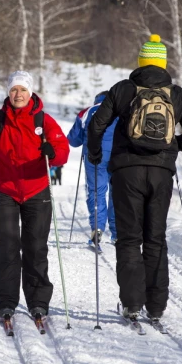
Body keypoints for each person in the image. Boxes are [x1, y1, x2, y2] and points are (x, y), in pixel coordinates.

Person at [87, 34, 182, 322]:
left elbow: (96, 125)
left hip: (126, 172)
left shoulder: (123, 89)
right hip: (161, 174)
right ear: (163, 63)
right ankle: (156, 307)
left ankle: (132, 304)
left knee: (129, 239)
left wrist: (95, 155)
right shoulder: (177, 95)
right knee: (155, 239)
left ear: (141, 61)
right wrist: (175, 145)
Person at [0, 70, 70, 322]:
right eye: (14, 90)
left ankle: (38, 302)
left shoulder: (43, 120)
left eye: (23, 89)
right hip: (3, 189)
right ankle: (5, 302)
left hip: (36, 190)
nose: (18, 94)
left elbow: (62, 151)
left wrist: (51, 152)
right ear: (8, 93)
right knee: (8, 245)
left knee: (35, 247)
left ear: (30, 92)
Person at [67, 91, 118, 247]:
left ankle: (97, 229)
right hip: (118, 157)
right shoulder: (120, 111)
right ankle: (117, 233)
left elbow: (73, 140)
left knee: (97, 191)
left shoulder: (88, 111)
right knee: (117, 193)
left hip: (94, 157)